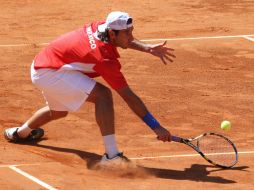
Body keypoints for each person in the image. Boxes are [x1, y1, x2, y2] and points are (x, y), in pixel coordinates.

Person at [4, 11, 175, 163]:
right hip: (49, 72)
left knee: (58, 112)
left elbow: (122, 40)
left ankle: (20, 133)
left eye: (131, 31)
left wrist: (146, 48)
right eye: (126, 33)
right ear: (111, 33)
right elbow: (128, 96)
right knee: (103, 96)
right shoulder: (104, 59)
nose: (131, 36)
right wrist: (155, 126)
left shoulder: (101, 27)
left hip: (45, 63)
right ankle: (112, 156)